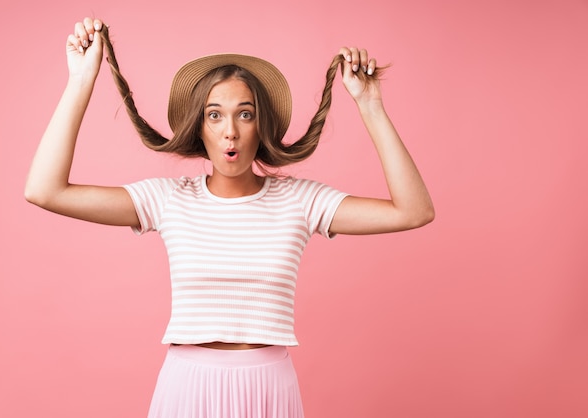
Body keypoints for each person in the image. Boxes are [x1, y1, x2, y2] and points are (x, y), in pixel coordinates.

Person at [25, 16, 434, 418]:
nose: (230, 132)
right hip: (187, 386)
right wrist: (80, 82)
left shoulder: (300, 201)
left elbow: (414, 211)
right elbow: (45, 190)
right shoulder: (167, 199)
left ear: (262, 125)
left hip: (269, 387)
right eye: (214, 114)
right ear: (198, 127)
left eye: (246, 113)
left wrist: (370, 104)